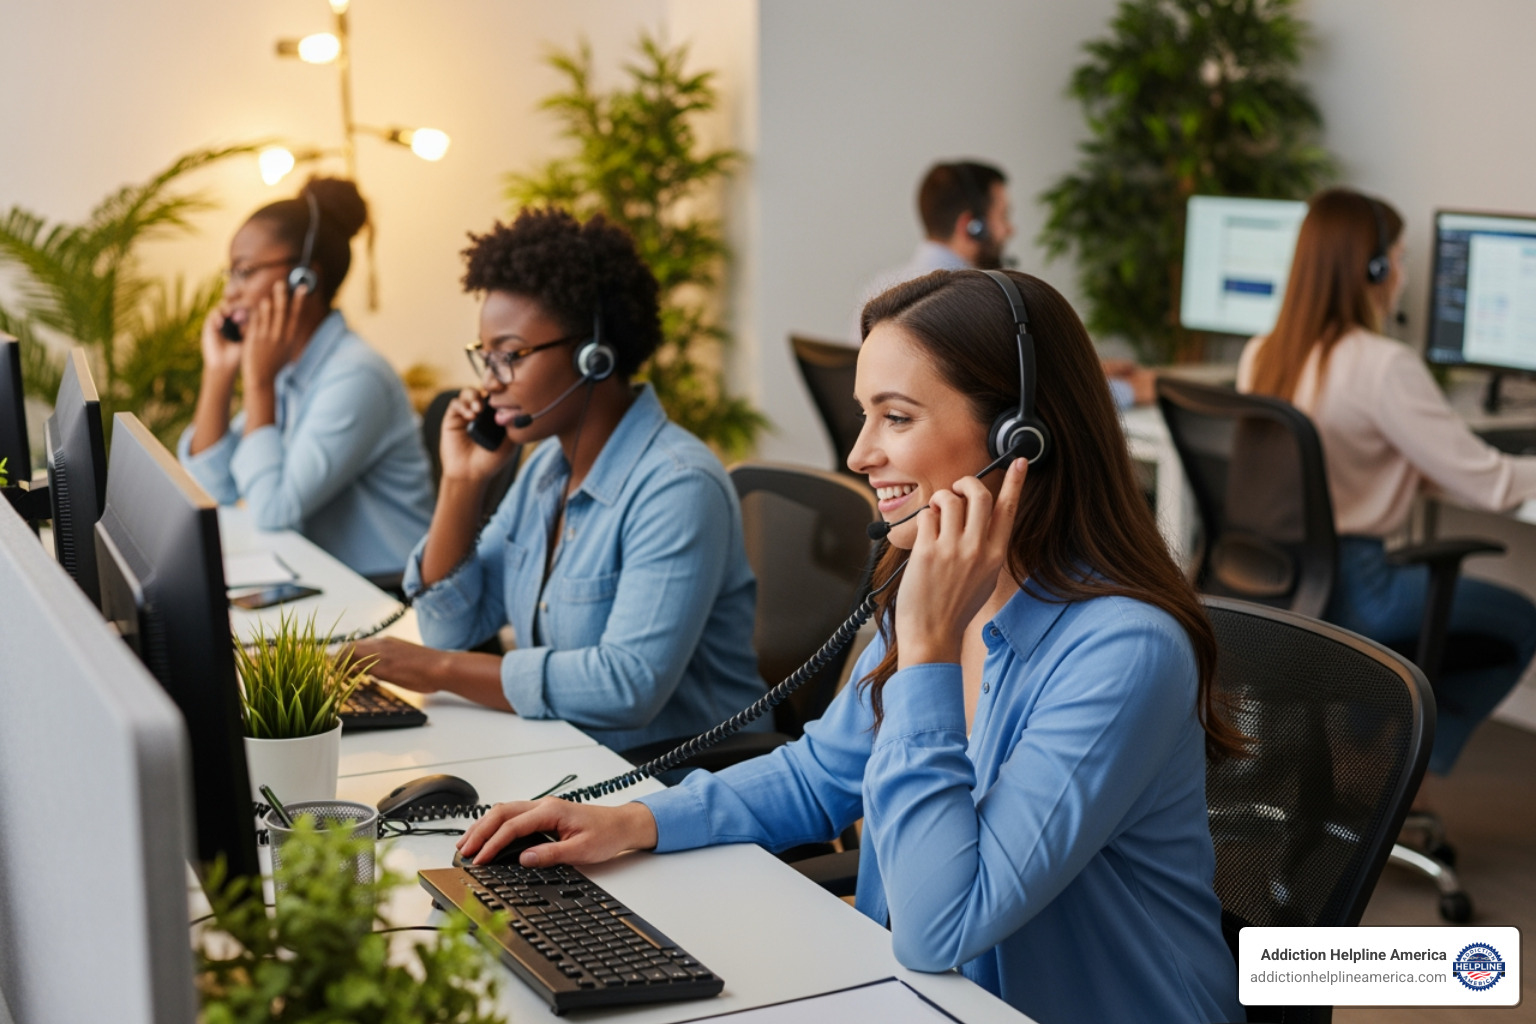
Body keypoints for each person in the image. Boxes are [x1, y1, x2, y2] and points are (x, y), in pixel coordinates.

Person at [457, 269, 1246, 1024]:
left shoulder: (1123, 651)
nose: (859, 453)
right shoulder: (935, 592)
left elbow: (941, 925)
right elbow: (822, 772)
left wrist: (931, 650)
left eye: (896, 417)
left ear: (1021, 439)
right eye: (865, 414)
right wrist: (635, 821)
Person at [347, 209, 768, 755]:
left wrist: (440, 671)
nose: (490, 381)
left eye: (511, 355)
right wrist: (461, 481)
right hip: (568, 755)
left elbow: (626, 687)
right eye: (485, 357)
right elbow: (451, 627)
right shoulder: (547, 468)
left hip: (681, 780)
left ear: (594, 357)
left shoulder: (678, 486)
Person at [1239, 187, 1536, 776]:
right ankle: (1396, 773)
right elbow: (1496, 485)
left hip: (1277, 585)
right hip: (1359, 591)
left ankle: (1365, 761)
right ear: (1371, 269)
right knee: (1522, 619)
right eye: (1398, 258)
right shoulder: (1383, 365)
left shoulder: (1264, 354)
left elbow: (1335, 458)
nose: (1402, 273)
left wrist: (1413, 466)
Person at [180, 177, 434, 580]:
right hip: (327, 580)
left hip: (388, 594)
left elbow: (273, 510)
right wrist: (219, 372)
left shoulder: (356, 375)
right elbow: (211, 491)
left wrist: (258, 383)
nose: (230, 293)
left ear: (305, 278)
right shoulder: (289, 370)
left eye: (245, 272)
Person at [851, 160, 1155, 407]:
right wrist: (1129, 391)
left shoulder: (880, 293)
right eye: (1003, 216)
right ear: (973, 226)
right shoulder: (964, 301)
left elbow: (997, 372)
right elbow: (1027, 395)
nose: (1010, 230)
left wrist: (1088, 371)